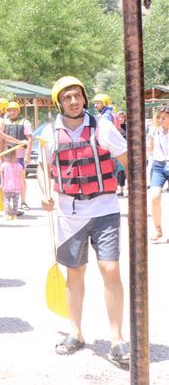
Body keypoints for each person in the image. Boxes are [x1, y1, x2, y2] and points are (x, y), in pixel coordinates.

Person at [38, 76, 130, 368]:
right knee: (74, 273)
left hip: (104, 209)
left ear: (85, 99)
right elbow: (43, 167)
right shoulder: (50, 134)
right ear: (59, 103)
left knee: (110, 269)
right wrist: (44, 193)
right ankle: (75, 332)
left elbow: (128, 160)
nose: (73, 101)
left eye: (77, 95)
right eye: (67, 97)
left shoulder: (103, 127)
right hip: (70, 214)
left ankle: (117, 339)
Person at [0, 101, 32, 212]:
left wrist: (27, 155)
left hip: (20, 156)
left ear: (18, 111)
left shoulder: (25, 122)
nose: (12, 112)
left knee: (21, 179)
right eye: (10, 110)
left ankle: (23, 201)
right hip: (7, 156)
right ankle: (5, 203)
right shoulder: (3, 122)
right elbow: (0, 139)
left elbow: (29, 139)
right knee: (5, 179)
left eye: (14, 110)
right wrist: (0, 156)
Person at [147, 105, 169, 243]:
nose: (161, 120)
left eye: (164, 117)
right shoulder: (155, 130)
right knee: (154, 196)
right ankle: (158, 229)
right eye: (159, 117)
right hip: (158, 165)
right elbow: (150, 148)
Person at [0, 152, 24, 220]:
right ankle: (14, 214)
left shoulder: (4, 165)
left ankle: (6, 214)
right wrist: (22, 185)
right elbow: (21, 176)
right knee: (15, 202)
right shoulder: (19, 166)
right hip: (16, 187)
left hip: (7, 187)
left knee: (7, 201)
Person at [115, 110, 128, 196]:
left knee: (124, 171)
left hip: (124, 152)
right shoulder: (114, 128)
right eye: (119, 117)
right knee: (118, 172)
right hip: (116, 152)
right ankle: (119, 189)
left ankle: (123, 189)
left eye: (122, 117)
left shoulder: (127, 127)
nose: (121, 119)